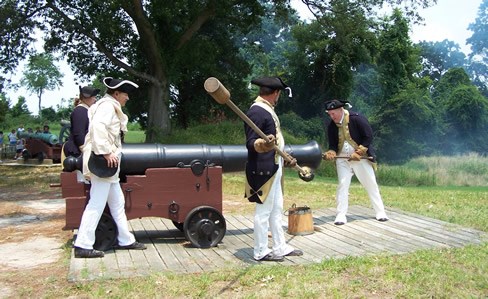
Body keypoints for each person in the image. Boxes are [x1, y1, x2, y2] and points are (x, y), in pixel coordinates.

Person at [74, 77, 146, 258]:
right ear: (116, 93)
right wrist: (105, 152)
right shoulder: (107, 106)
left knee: (117, 203)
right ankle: (83, 244)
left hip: (110, 166)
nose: (127, 98)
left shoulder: (110, 106)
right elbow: (98, 128)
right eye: (125, 94)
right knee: (96, 203)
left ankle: (125, 239)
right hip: (104, 161)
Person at [244, 76, 303, 262]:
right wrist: (263, 144)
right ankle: (260, 251)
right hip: (262, 169)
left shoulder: (266, 110)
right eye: (279, 94)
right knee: (263, 211)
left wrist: (284, 157)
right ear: (276, 93)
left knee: (276, 209)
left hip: (274, 165)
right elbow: (251, 143)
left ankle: (279, 247)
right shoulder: (257, 112)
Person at [322, 99, 388, 225]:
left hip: (360, 158)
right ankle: (341, 215)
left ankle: (380, 212)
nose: (331, 117)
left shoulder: (357, 119)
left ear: (341, 110)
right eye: (329, 114)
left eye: (333, 114)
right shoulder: (331, 125)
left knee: (371, 184)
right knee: (343, 185)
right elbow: (333, 144)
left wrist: (359, 152)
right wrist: (331, 152)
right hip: (342, 160)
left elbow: (368, 136)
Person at [63, 86, 100, 158]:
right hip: (76, 150)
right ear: (86, 98)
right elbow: (79, 134)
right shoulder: (80, 111)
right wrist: (85, 150)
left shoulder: (86, 110)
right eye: (93, 97)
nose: (95, 100)